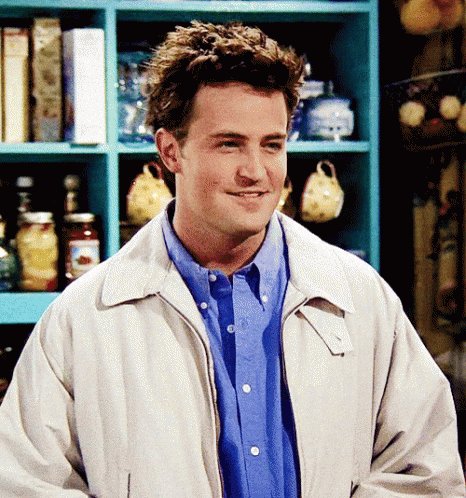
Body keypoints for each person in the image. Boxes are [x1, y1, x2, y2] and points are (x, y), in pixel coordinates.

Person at [0, 21, 464, 498]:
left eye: (272, 144)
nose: (256, 172)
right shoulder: (82, 319)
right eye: (229, 144)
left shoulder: (362, 299)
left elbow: (424, 471)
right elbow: (25, 485)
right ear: (170, 151)